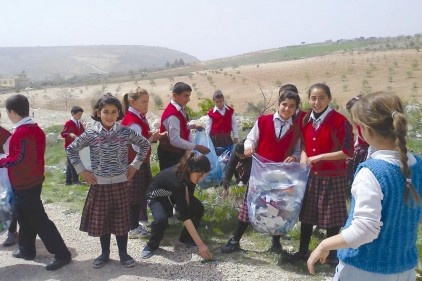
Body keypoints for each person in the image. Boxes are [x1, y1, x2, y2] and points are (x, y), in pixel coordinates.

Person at [307, 92, 422, 281]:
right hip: (404, 268)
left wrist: (325, 244)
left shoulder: (372, 172)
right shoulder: (418, 166)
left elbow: (365, 230)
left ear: (365, 129)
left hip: (364, 268)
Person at [67, 93, 151, 268]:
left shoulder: (124, 132)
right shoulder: (90, 134)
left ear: (119, 113)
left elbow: (145, 145)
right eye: (106, 111)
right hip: (99, 185)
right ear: (98, 112)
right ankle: (104, 254)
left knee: (121, 221)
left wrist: (134, 165)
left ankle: (124, 254)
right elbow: (72, 150)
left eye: (114, 112)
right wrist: (81, 171)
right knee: (103, 221)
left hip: (121, 183)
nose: (110, 115)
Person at [221, 90, 302, 254]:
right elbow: (251, 138)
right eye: (284, 104)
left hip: (281, 176)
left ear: (296, 108)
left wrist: (294, 157)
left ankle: (275, 243)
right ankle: (235, 239)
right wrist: (249, 146)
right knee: (249, 205)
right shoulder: (263, 121)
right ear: (279, 104)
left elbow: (297, 150)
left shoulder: (297, 128)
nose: (287, 109)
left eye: (291, 106)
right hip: (260, 173)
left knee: (277, 208)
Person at [0, 94, 71, 270]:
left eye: (8, 112)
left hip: (27, 182)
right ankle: (27, 249)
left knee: (39, 219)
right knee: (23, 216)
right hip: (27, 180)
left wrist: (2, 161)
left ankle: (62, 253)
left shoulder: (23, 132)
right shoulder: (33, 129)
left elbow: (19, 159)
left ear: (13, 112)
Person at [288, 83, 354, 266]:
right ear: (309, 99)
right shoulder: (305, 120)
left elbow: (348, 152)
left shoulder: (340, 121)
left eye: (321, 98)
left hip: (333, 175)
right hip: (311, 175)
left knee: (332, 217)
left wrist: (320, 157)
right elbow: (304, 145)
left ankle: (332, 254)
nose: (317, 102)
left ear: (329, 98)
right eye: (313, 98)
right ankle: (303, 251)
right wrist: (304, 156)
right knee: (307, 215)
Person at [140, 152, 213, 260]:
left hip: (172, 194)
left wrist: (185, 207)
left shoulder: (188, 173)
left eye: (204, 176)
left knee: (198, 208)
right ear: (191, 169)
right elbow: (186, 217)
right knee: (161, 220)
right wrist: (201, 245)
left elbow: (187, 195)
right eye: (200, 175)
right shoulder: (176, 180)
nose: (201, 179)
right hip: (157, 196)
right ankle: (152, 245)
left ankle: (186, 238)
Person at [121, 87, 164, 238]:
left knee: (139, 194)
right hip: (135, 163)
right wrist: (152, 139)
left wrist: (150, 135)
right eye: (143, 101)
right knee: (135, 195)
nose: (146, 104)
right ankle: (132, 228)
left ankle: (135, 224)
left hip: (139, 162)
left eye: (147, 101)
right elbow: (136, 145)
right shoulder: (133, 122)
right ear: (132, 102)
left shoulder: (137, 117)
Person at [157, 82, 210, 171]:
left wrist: (193, 126)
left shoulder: (180, 109)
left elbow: (181, 127)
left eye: (189, 96)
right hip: (170, 155)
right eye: (185, 96)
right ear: (175, 95)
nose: (188, 99)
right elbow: (175, 140)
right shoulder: (172, 115)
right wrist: (196, 147)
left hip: (178, 152)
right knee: (174, 181)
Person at [345, 95, 370, 187]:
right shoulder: (357, 122)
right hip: (360, 148)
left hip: (365, 151)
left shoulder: (364, 123)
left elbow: (364, 138)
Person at [0, 125, 18, 247]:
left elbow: (11, 155)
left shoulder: (5, 135)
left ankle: (12, 232)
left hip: (3, 174)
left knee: (7, 203)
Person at [206, 90, 239, 155]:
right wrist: (207, 140)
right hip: (215, 138)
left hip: (226, 137)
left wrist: (236, 136)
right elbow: (208, 127)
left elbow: (234, 123)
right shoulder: (211, 113)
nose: (219, 104)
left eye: (220, 101)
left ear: (223, 100)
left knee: (228, 155)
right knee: (217, 155)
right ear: (214, 101)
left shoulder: (230, 111)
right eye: (217, 102)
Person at [61, 106, 85, 185]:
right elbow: (63, 134)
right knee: (72, 163)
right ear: (73, 114)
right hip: (69, 146)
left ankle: (69, 181)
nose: (80, 116)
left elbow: (83, 133)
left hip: (77, 146)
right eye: (78, 115)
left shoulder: (79, 123)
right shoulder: (69, 123)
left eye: (81, 115)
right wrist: (70, 134)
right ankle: (74, 180)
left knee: (70, 163)